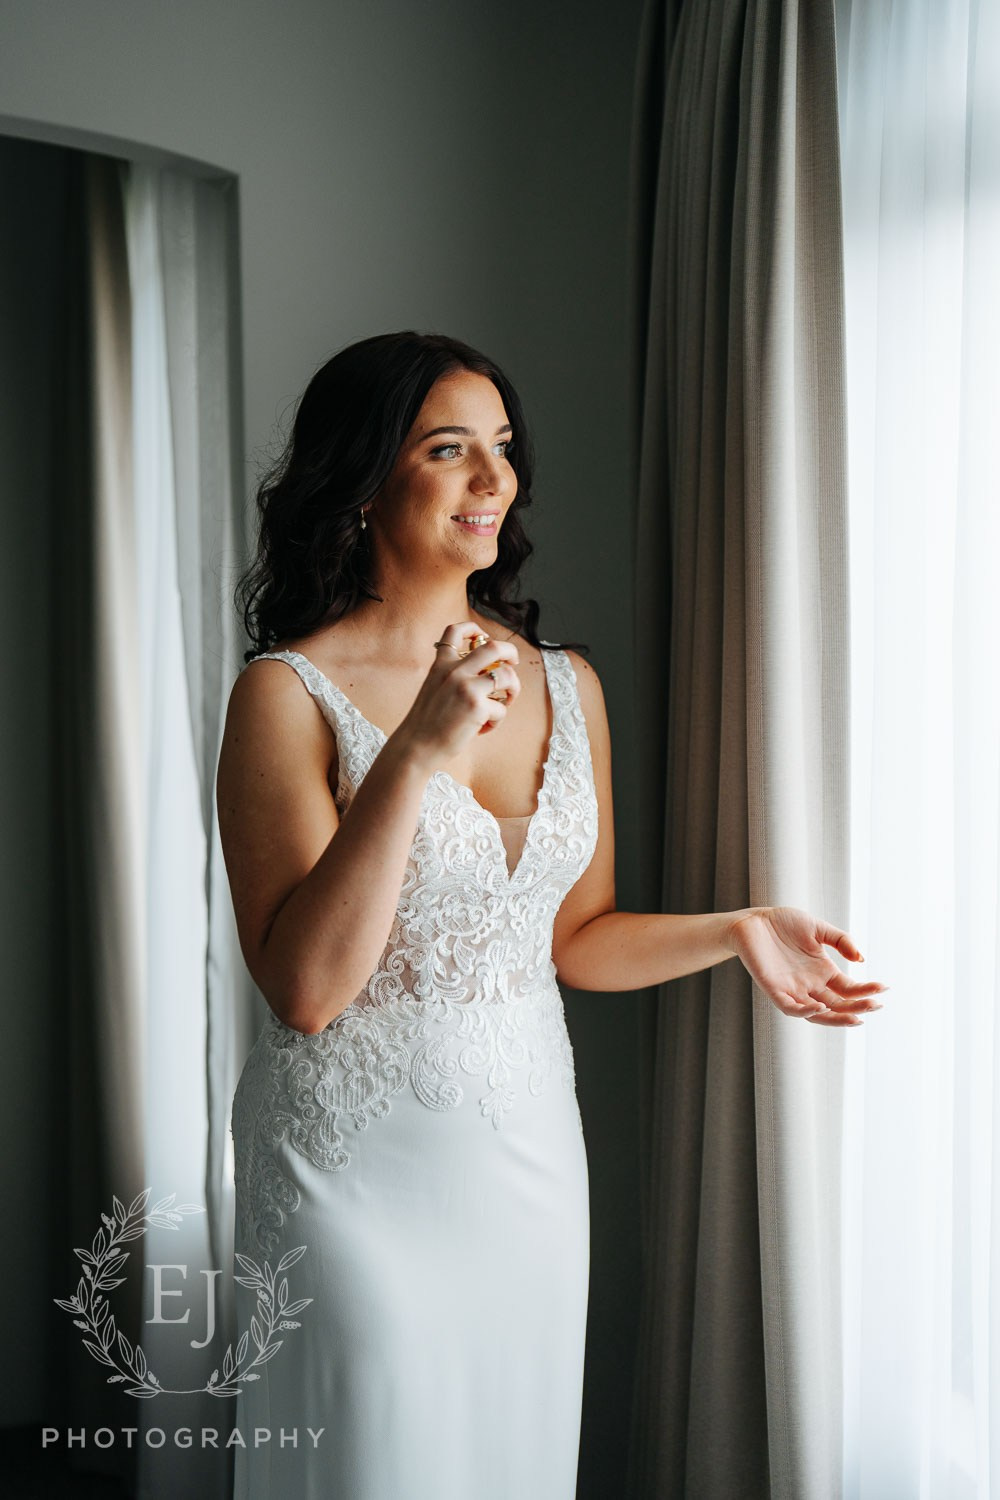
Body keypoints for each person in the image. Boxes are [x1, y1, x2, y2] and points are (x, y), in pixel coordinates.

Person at [216, 331, 886, 1500]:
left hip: (523, 1164)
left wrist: (733, 928)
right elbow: (308, 992)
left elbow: (574, 940)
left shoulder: (566, 685)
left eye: (502, 446)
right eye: (448, 449)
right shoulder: (286, 694)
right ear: (364, 479)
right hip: (346, 1179)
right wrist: (414, 755)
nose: (494, 478)